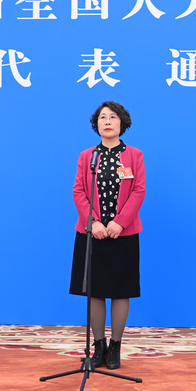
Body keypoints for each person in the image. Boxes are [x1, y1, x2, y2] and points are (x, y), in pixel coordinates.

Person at [69, 101, 146, 370]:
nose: (108, 121)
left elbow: (138, 190)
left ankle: (115, 347)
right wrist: (94, 223)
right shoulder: (87, 156)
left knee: (121, 290)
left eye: (113, 117)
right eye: (102, 117)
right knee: (95, 291)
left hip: (123, 234)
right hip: (93, 234)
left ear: (122, 123)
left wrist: (119, 223)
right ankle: (98, 346)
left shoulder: (134, 155)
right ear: (97, 124)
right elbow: (79, 191)